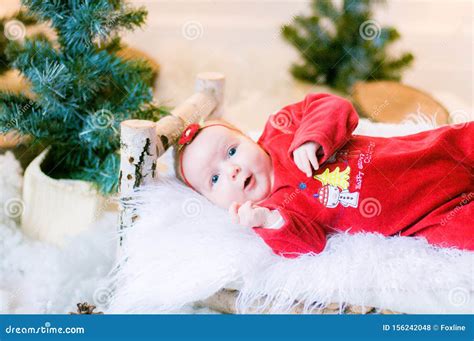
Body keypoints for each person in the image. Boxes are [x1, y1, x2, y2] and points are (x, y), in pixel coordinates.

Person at [174, 93, 474, 258]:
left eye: (231, 151)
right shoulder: (274, 212)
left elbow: (330, 104)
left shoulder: (282, 130)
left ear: (249, 137)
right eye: (214, 179)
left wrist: (311, 137)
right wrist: (267, 223)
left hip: (424, 154)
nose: (232, 169)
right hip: (427, 216)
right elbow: (309, 244)